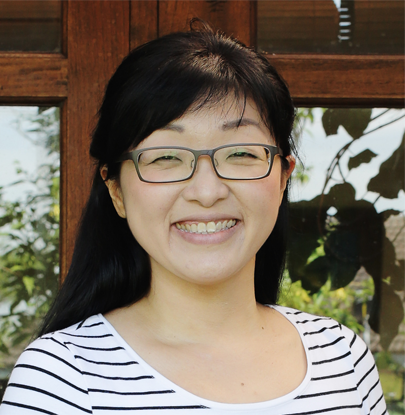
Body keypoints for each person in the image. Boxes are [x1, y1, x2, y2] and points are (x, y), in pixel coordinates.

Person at [0, 21, 386, 414]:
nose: (206, 191)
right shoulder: (63, 377)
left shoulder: (342, 358)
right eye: (166, 157)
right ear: (116, 190)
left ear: (283, 177)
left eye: (241, 153)